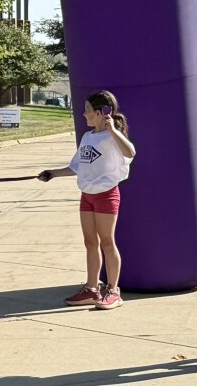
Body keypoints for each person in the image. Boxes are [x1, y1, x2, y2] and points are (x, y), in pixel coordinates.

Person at [37, 90, 136, 310]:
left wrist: (112, 130)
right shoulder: (87, 137)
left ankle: (113, 291)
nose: (84, 114)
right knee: (90, 243)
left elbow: (130, 153)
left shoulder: (113, 137)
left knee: (107, 242)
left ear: (102, 112)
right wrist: (51, 173)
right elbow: (76, 166)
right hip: (87, 196)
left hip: (106, 195)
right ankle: (92, 289)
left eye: (88, 110)